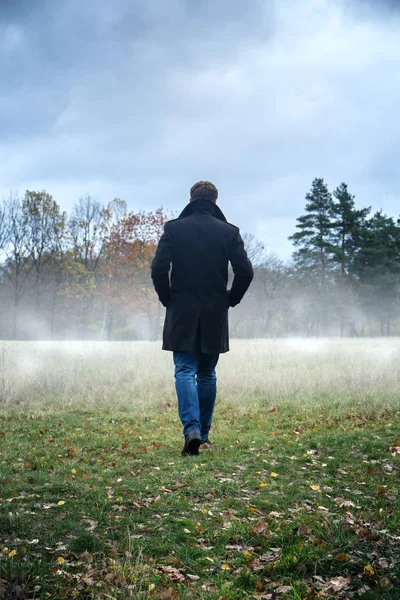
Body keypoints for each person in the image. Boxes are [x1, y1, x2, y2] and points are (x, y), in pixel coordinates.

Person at [151, 181, 253, 456]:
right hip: (214, 312)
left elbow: (158, 268)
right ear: (215, 202)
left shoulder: (174, 229)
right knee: (207, 373)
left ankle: (192, 431)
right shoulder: (229, 232)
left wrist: (167, 298)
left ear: (191, 199)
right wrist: (229, 299)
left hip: (181, 310)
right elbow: (245, 272)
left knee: (184, 369)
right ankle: (203, 435)